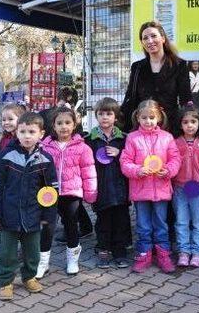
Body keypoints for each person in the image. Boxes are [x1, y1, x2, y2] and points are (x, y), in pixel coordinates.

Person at [0, 112, 58, 300]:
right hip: (8, 215)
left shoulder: (46, 160)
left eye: (31, 132)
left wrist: (48, 216)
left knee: (32, 251)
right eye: (23, 131)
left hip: (34, 215)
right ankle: (6, 282)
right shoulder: (4, 156)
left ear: (41, 134)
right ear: (16, 132)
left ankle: (29, 277)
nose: (27, 136)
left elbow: (51, 192)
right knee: (7, 253)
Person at [120, 99, 181, 273]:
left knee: (161, 224)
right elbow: (125, 162)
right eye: (144, 117)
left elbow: (176, 159)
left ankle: (163, 254)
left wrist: (168, 170)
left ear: (159, 118)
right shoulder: (132, 138)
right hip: (140, 191)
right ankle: (143, 254)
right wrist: (137, 170)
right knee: (143, 225)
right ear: (138, 118)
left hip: (161, 190)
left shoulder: (167, 138)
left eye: (152, 117)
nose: (148, 121)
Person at [41, 107, 97, 276]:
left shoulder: (83, 148)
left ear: (74, 125)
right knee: (47, 227)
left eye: (67, 122)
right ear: (53, 126)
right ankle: (42, 262)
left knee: (71, 226)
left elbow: (89, 172)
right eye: (59, 123)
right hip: (49, 193)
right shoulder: (44, 147)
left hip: (72, 193)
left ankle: (72, 260)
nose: (64, 126)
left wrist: (90, 194)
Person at [120, 21, 192, 135]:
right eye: (145, 38)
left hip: (170, 129)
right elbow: (130, 97)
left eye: (153, 36)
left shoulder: (179, 65)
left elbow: (186, 99)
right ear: (142, 43)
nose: (150, 41)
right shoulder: (137, 67)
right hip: (143, 129)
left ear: (163, 38)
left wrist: (197, 128)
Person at [41, 87, 93, 241]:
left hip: (72, 184)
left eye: (70, 101)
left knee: (72, 210)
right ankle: (83, 227)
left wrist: (89, 192)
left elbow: (87, 168)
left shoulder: (75, 127)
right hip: (54, 183)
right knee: (61, 210)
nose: (64, 126)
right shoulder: (48, 116)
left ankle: (81, 229)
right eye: (64, 100)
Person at [85, 97, 131, 269]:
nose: (105, 117)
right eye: (101, 113)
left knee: (121, 221)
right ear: (96, 116)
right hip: (101, 188)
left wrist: (120, 153)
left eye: (109, 114)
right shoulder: (90, 139)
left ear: (116, 117)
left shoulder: (124, 139)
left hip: (120, 189)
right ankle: (103, 250)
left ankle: (120, 252)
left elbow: (131, 159)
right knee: (103, 221)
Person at [172, 104, 199, 268]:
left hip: (198, 188)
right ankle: (184, 252)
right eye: (185, 122)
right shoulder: (174, 143)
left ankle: (197, 253)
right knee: (181, 221)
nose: (189, 125)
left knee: (198, 221)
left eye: (193, 121)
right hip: (179, 189)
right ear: (180, 124)